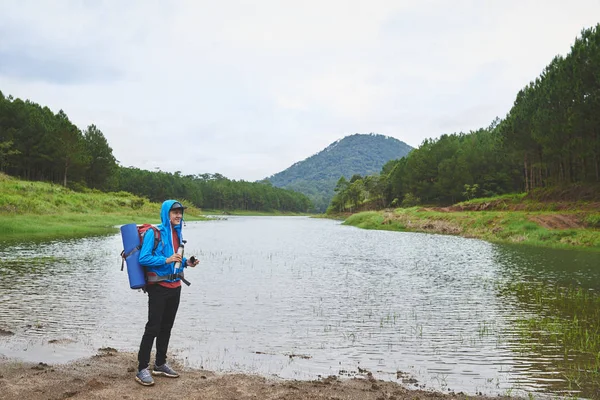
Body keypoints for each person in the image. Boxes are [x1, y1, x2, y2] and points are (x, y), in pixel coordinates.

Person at [135, 199, 199, 386]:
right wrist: (167, 259)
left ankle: (160, 363)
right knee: (153, 327)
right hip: (158, 287)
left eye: (180, 212)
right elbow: (144, 258)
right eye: (175, 212)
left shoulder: (177, 233)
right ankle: (141, 368)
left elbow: (176, 256)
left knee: (167, 327)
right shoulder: (153, 233)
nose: (178, 215)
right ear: (166, 214)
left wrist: (187, 262)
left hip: (175, 286)